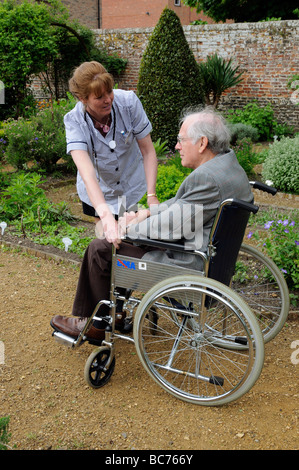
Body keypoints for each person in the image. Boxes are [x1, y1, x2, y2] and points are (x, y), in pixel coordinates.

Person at [51, 106, 253, 343]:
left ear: (202, 143)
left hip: (187, 262)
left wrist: (125, 228)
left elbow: (173, 227)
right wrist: (145, 213)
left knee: (101, 248)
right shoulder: (227, 166)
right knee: (124, 240)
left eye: (180, 140)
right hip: (207, 251)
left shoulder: (206, 178)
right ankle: (111, 316)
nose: (177, 146)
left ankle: (94, 323)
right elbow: (180, 205)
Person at [64, 61, 159, 246]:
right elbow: (87, 174)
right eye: (99, 97)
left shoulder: (129, 103)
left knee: (132, 240)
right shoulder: (74, 121)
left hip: (130, 183)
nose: (108, 99)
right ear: (83, 99)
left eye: (110, 91)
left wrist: (151, 194)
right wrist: (106, 216)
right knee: (107, 242)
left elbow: (148, 151)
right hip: (99, 189)